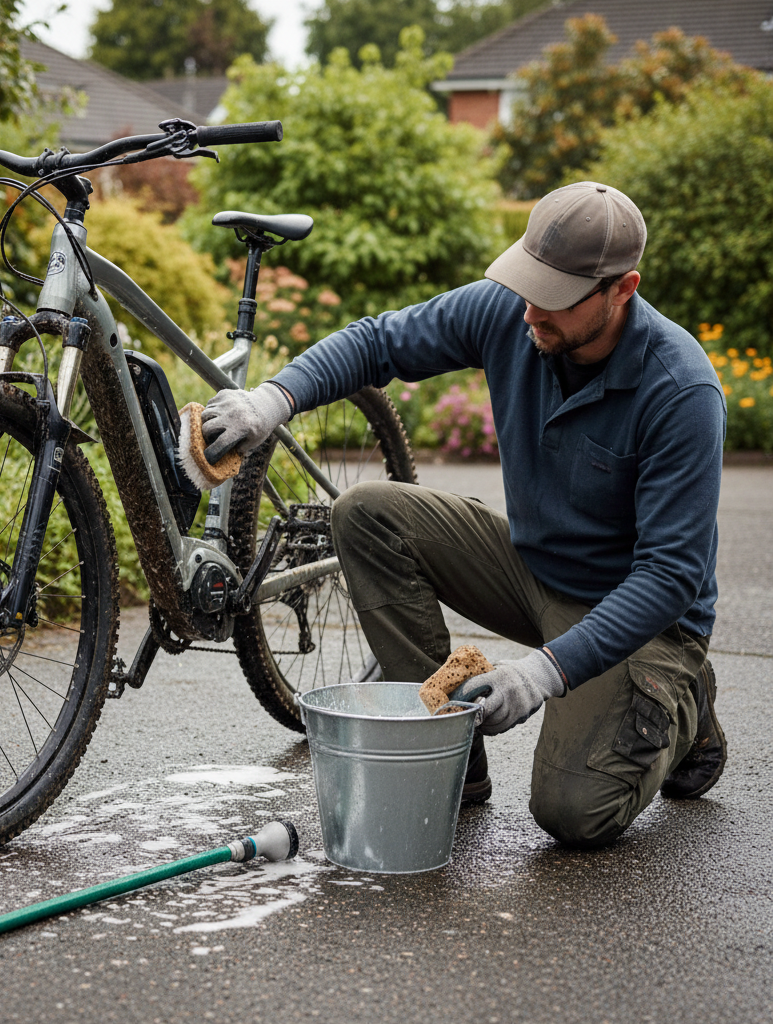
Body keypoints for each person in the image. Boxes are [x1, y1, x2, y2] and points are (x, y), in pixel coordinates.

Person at [201, 181, 727, 848]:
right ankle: (454, 763)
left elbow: (669, 574)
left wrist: (541, 673)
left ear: (622, 290)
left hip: (642, 616)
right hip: (535, 569)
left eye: (557, 297)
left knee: (573, 813)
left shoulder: (680, 390)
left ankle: (684, 703)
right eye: (529, 282)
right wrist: (274, 399)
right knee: (367, 513)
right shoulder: (516, 312)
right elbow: (377, 343)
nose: (533, 309)